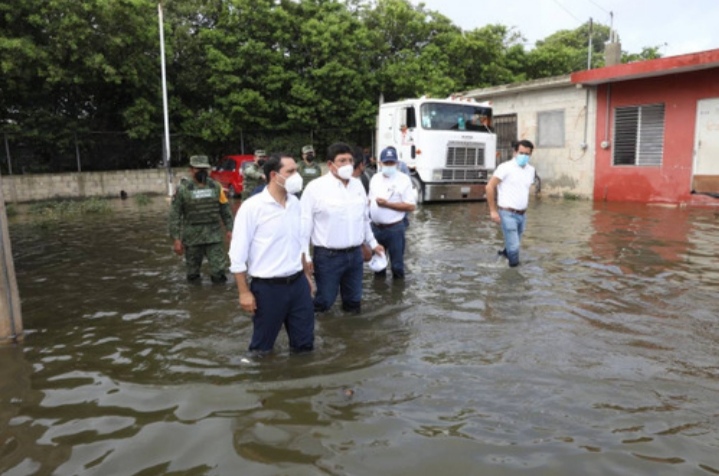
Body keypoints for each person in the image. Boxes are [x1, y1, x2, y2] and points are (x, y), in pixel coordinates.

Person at [228, 153, 315, 354]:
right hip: (268, 289)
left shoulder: (296, 204)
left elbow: (300, 243)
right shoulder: (252, 207)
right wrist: (244, 292)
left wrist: (307, 278)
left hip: (298, 285)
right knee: (262, 349)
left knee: (305, 345)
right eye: (291, 171)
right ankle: (263, 383)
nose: (297, 176)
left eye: (297, 171)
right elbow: (237, 254)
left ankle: (303, 383)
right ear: (275, 175)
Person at [300, 142, 384, 313]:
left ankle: (351, 337)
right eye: (342, 160)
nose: (347, 164)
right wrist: (305, 256)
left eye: (350, 160)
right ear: (330, 165)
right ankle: (313, 331)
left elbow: (364, 219)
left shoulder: (357, 185)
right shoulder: (315, 188)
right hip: (327, 257)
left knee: (354, 301)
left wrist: (373, 243)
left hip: (355, 255)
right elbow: (304, 225)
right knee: (324, 301)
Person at [169, 155, 234, 283]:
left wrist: (230, 229)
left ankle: (219, 300)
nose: (202, 172)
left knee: (219, 273)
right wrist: (176, 239)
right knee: (193, 274)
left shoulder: (216, 187)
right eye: (198, 169)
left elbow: (225, 210)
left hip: (214, 235)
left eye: (205, 169)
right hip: (193, 237)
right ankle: (195, 299)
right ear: (191, 170)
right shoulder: (183, 189)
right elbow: (175, 215)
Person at [486, 139, 536, 267]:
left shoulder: (531, 170)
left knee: (514, 243)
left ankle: (501, 257)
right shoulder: (505, 167)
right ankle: (514, 273)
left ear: (530, 155)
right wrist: (493, 211)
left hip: (522, 214)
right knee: (514, 246)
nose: (524, 156)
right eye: (521, 153)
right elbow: (489, 187)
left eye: (527, 154)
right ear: (514, 152)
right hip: (507, 213)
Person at [368, 147, 416, 279]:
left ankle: (398, 295)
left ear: (397, 163)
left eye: (391, 163)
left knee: (397, 266)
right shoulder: (375, 178)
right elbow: (369, 200)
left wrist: (387, 204)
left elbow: (411, 206)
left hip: (394, 229)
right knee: (378, 266)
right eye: (386, 163)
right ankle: (380, 294)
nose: (389, 166)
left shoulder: (403, 179)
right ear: (380, 163)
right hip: (376, 228)